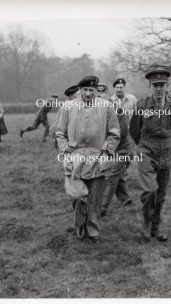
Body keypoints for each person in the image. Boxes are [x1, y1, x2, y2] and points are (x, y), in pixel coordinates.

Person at [56, 75, 120, 244]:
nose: (88, 93)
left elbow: (114, 132)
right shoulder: (68, 107)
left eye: (92, 90)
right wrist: (65, 149)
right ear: (80, 90)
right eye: (85, 90)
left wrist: (107, 151)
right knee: (78, 195)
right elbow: (59, 132)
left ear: (96, 91)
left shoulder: (106, 106)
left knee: (95, 197)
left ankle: (93, 230)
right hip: (75, 157)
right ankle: (80, 224)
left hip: (98, 157)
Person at [129, 65, 171, 242]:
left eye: (162, 85)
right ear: (150, 87)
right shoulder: (142, 105)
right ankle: (145, 223)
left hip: (166, 152)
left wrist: (167, 143)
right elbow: (134, 129)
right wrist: (142, 147)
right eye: (155, 85)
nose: (159, 89)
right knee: (150, 190)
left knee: (161, 194)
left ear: (167, 86)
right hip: (147, 150)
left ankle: (155, 228)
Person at [100, 80, 134, 217]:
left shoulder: (116, 109)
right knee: (117, 175)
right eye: (98, 94)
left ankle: (102, 208)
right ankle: (125, 199)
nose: (99, 97)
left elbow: (123, 132)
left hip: (121, 149)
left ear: (107, 94)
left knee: (111, 177)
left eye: (102, 94)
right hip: (111, 148)